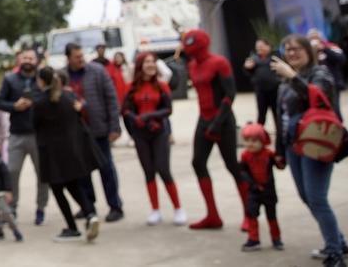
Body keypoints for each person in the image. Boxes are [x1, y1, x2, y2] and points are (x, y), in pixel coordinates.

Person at [273, 34, 346, 266]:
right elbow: (281, 117)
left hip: (317, 142)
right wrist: (280, 150)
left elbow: (320, 99)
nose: (292, 53)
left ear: (308, 50)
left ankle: (335, 252)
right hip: (294, 144)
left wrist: (293, 77)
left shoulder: (320, 74)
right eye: (287, 49)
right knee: (307, 196)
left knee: (316, 198)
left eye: (296, 49)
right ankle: (339, 241)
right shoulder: (284, 81)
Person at [176, 29, 248, 230]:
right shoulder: (191, 65)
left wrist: (217, 122)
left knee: (232, 165)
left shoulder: (219, 62)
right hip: (204, 118)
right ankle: (213, 215)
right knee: (198, 163)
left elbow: (230, 94)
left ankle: (249, 215)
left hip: (222, 120)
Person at [32, 66, 100, 244]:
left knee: (58, 190)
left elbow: (34, 125)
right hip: (70, 151)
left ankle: (72, 227)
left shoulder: (40, 102)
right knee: (74, 185)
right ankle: (90, 214)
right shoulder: (69, 96)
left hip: (51, 154)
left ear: (41, 81)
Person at [121, 52, 185, 226]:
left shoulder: (162, 86)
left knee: (163, 170)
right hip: (141, 134)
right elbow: (126, 110)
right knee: (148, 171)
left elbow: (168, 109)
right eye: (147, 62)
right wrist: (136, 121)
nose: (151, 65)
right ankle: (155, 210)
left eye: (153, 62)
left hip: (159, 132)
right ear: (140, 65)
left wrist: (149, 116)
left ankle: (178, 208)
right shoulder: (131, 87)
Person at [64, 43, 124, 222]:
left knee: (106, 170)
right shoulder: (62, 76)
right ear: (68, 58)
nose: (81, 59)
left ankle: (115, 206)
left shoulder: (97, 71)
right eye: (77, 57)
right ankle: (88, 206)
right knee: (82, 173)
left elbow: (111, 99)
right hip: (76, 133)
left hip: (99, 130)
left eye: (82, 55)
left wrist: (115, 127)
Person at [0, 47, 49, 225]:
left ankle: (41, 208)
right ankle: (12, 207)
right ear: (19, 60)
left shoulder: (43, 80)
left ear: (37, 60)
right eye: (25, 57)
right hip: (17, 135)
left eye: (31, 58)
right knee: (12, 172)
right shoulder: (9, 79)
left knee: (42, 174)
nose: (28, 60)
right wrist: (14, 106)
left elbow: (52, 98)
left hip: (38, 134)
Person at [238, 122, 283, 252]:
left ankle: (276, 238)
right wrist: (252, 184)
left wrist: (281, 160)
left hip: (268, 191)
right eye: (247, 140)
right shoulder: (245, 156)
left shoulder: (269, 154)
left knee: (272, 216)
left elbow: (280, 166)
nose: (250, 144)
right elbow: (242, 172)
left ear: (262, 141)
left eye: (254, 141)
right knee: (251, 214)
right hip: (254, 191)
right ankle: (253, 239)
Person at [243, 39, 281, 131]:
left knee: (277, 113)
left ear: (268, 46)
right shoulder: (253, 58)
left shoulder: (276, 57)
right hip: (261, 91)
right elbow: (247, 74)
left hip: (275, 90)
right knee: (261, 114)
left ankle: (280, 133)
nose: (259, 48)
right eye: (257, 47)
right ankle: (258, 133)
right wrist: (247, 68)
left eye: (261, 46)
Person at [309, 28, 346, 93]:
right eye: (312, 38)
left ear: (320, 38)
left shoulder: (331, 46)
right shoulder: (306, 51)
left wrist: (324, 49)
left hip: (333, 83)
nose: (314, 40)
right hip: (314, 84)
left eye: (316, 37)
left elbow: (341, 59)